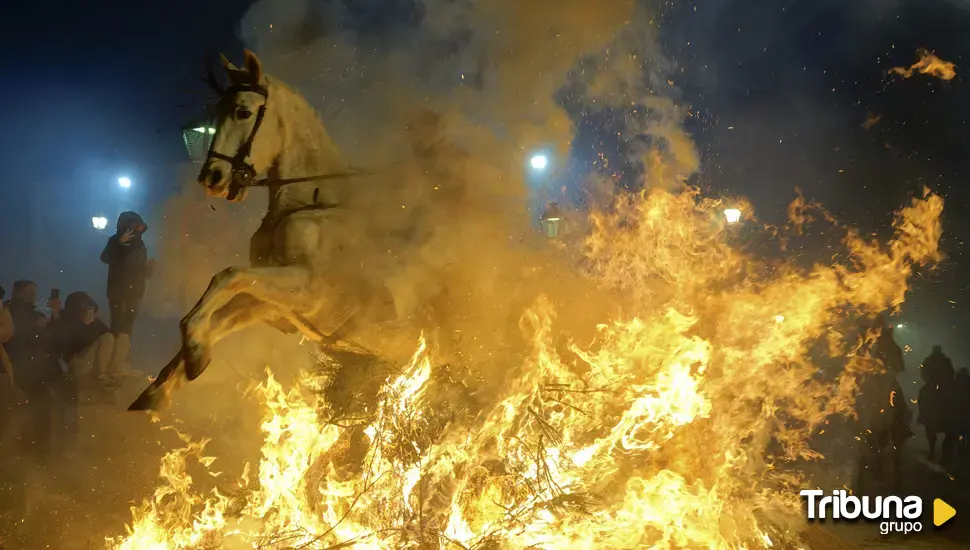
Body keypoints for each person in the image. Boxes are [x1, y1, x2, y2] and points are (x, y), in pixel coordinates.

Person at [3, 280, 61, 463]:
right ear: (17, 292)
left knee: (53, 396)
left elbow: (52, 343)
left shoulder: (35, 314)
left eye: (35, 291)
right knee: (40, 401)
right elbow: (12, 333)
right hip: (14, 369)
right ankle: (37, 454)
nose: (33, 294)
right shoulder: (8, 308)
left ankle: (46, 451)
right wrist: (35, 324)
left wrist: (55, 315)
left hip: (32, 370)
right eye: (29, 291)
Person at [100, 211, 154, 380]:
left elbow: (138, 268)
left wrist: (148, 269)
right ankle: (110, 366)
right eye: (134, 226)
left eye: (139, 227)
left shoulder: (140, 245)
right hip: (118, 292)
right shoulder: (114, 240)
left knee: (127, 329)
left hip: (135, 292)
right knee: (117, 327)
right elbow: (105, 258)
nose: (137, 230)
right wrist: (120, 243)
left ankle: (121, 364)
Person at [918, 344, 956, 462]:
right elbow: (924, 372)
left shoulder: (933, 360)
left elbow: (923, 372)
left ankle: (923, 416)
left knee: (923, 394)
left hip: (939, 385)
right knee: (923, 394)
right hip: (937, 384)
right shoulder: (941, 360)